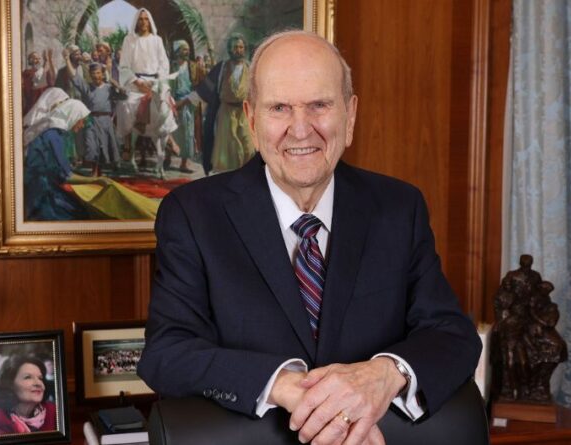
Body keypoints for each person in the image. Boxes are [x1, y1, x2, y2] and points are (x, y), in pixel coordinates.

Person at [137, 30, 481, 445]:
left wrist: (382, 375)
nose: (301, 130)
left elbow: (453, 335)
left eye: (320, 105)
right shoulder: (193, 214)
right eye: (279, 108)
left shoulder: (398, 207)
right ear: (251, 119)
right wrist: (287, 387)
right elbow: (167, 354)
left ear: (350, 115)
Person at [115, 8, 178, 178]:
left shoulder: (157, 40)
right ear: (136, 22)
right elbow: (124, 66)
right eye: (140, 19)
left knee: (168, 103)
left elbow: (164, 64)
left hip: (154, 82)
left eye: (146, 19)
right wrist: (137, 82)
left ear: (150, 21)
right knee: (127, 106)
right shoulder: (129, 40)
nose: (143, 22)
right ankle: (127, 145)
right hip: (136, 84)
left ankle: (169, 134)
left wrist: (156, 81)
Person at [22, 91, 94, 220]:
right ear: (73, 116)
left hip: (44, 185)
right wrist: (97, 181)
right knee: (79, 213)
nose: (82, 125)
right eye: (81, 121)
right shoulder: (53, 135)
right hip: (41, 192)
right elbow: (65, 175)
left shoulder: (55, 132)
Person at [194, 34, 255, 174]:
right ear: (230, 49)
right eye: (235, 47)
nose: (238, 50)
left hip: (244, 113)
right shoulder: (222, 68)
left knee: (248, 146)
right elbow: (206, 89)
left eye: (241, 47)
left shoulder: (250, 68)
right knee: (228, 150)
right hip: (226, 113)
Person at [71, 63, 127, 177]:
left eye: (98, 73)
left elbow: (123, 95)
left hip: (105, 120)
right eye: (93, 73)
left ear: (102, 74)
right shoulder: (87, 88)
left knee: (104, 145)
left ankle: (100, 169)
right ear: (90, 75)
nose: (96, 76)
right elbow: (74, 77)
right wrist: (67, 59)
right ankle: (94, 170)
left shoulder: (108, 88)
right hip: (91, 120)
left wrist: (115, 84)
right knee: (91, 145)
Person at [0, 356, 57, 435]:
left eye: (40, 378)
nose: (38, 383)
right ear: (10, 384)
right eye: (28, 377)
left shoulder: (53, 411)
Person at [168, 40, 202, 174]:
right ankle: (167, 158)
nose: (187, 52)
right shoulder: (171, 66)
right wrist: (172, 103)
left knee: (187, 133)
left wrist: (184, 102)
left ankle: (183, 163)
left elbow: (199, 88)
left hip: (187, 103)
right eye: (184, 49)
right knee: (170, 131)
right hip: (172, 103)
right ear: (177, 51)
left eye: (188, 49)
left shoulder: (193, 67)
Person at [22, 50, 56, 115]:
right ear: (30, 60)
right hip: (33, 103)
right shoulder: (27, 73)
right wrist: (45, 63)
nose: (38, 60)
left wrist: (50, 60)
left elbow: (52, 81)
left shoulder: (43, 71)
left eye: (39, 58)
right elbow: (36, 81)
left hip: (44, 103)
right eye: (35, 58)